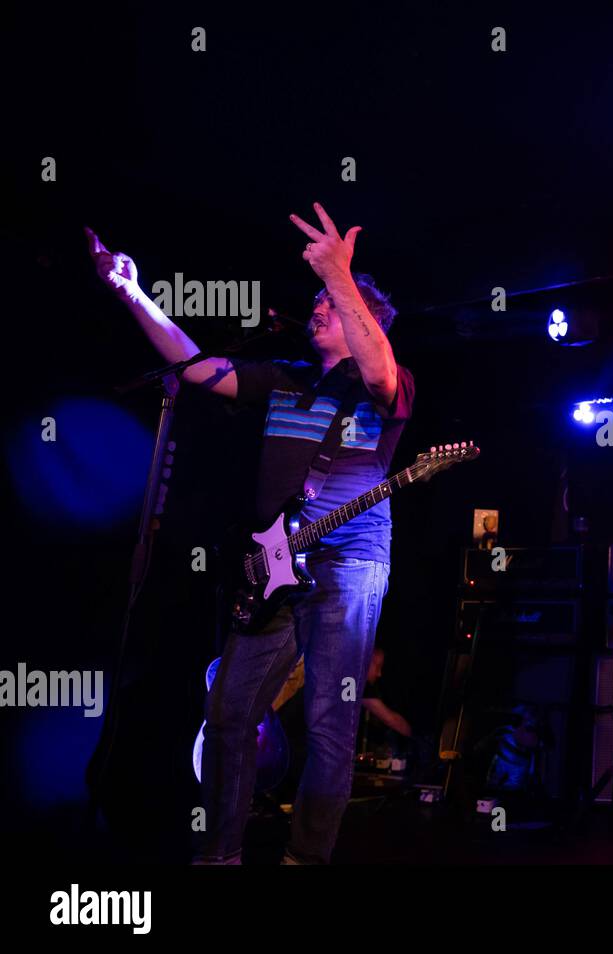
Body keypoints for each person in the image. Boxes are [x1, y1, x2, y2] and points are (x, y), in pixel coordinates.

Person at [88, 203, 415, 864]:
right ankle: (219, 857)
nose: (318, 306)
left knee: (329, 724)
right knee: (230, 715)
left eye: (332, 301)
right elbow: (193, 365)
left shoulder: (385, 382)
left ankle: (304, 860)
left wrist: (340, 275)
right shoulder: (285, 378)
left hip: (347, 563)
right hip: (273, 566)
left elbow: (380, 369)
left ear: (363, 318)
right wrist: (132, 291)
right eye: (320, 297)